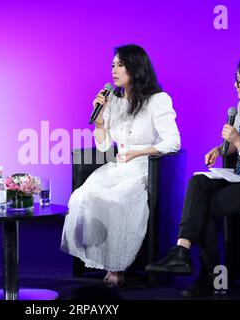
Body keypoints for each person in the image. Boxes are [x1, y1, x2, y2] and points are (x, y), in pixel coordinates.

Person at [145, 54, 240, 297]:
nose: (235, 86)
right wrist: (220, 149)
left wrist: (239, 142)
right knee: (198, 182)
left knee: (206, 206)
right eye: (235, 80)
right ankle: (182, 251)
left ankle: (210, 278)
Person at [61, 44, 181, 287]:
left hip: (145, 167)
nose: (114, 70)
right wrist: (100, 121)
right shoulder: (113, 100)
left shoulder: (157, 100)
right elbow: (105, 148)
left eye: (120, 65)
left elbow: (174, 141)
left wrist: (140, 152)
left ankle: (117, 267)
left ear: (136, 67)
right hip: (118, 166)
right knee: (84, 194)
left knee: (118, 198)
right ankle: (97, 258)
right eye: (112, 65)